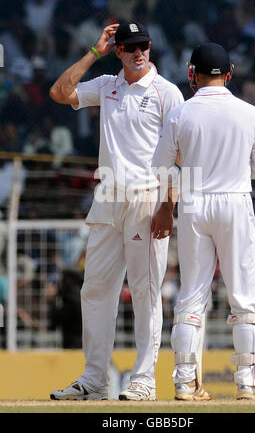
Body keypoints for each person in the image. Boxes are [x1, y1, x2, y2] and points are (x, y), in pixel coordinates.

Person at [48, 21, 184, 400]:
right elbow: (59, 92)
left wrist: (166, 206)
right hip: (108, 197)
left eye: (143, 46)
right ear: (118, 51)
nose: (138, 52)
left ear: (151, 47)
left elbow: (180, 155)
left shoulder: (167, 93)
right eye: (130, 47)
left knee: (146, 292)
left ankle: (143, 380)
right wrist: (94, 53)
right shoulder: (107, 85)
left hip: (147, 197)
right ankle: (95, 380)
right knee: (94, 289)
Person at [151, 43, 255, 401]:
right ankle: (247, 384)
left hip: (193, 202)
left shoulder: (181, 114)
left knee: (191, 295)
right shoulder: (249, 113)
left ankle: (184, 382)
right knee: (245, 297)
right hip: (235, 200)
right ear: (230, 74)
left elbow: (160, 167)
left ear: (193, 74)